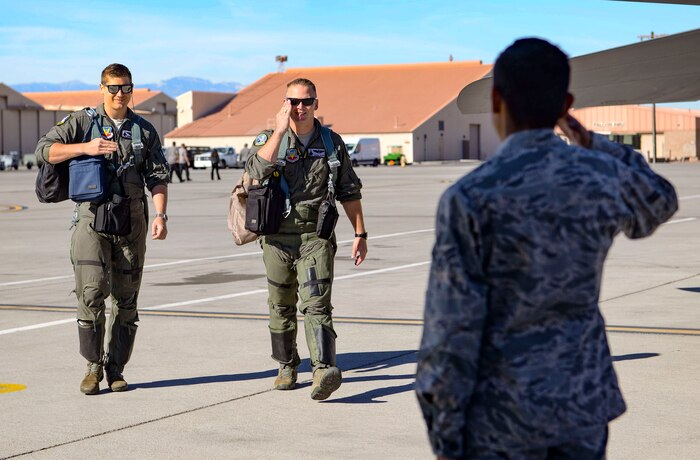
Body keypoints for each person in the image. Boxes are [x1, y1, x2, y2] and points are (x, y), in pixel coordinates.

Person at [415, 38, 678, 459]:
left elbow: (451, 331)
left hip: (501, 418)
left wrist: (445, 434)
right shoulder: (600, 177)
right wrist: (592, 143)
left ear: (497, 99)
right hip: (580, 406)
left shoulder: (472, 196)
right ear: (566, 103)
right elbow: (660, 200)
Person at [35, 63, 170, 395]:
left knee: (126, 301)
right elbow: (44, 151)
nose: (120, 94)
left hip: (131, 222)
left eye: (126, 87)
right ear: (102, 89)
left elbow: (158, 177)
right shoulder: (83, 122)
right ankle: (93, 367)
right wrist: (85, 147)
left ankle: (116, 369)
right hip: (92, 221)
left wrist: (161, 215)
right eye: (113, 88)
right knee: (92, 294)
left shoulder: (144, 130)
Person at [245, 78, 367, 401]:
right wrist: (279, 131)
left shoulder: (331, 142)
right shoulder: (271, 139)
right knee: (280, 305)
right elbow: (255, 171)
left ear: (316, 103)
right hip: (276, 237)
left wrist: (360, 233)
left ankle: (323, 369)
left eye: (306, 102)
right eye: (293, 102)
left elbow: (349, 191)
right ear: (285, 104)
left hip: (316, 236)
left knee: (316, 302)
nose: (300, 108)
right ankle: (286, 366)